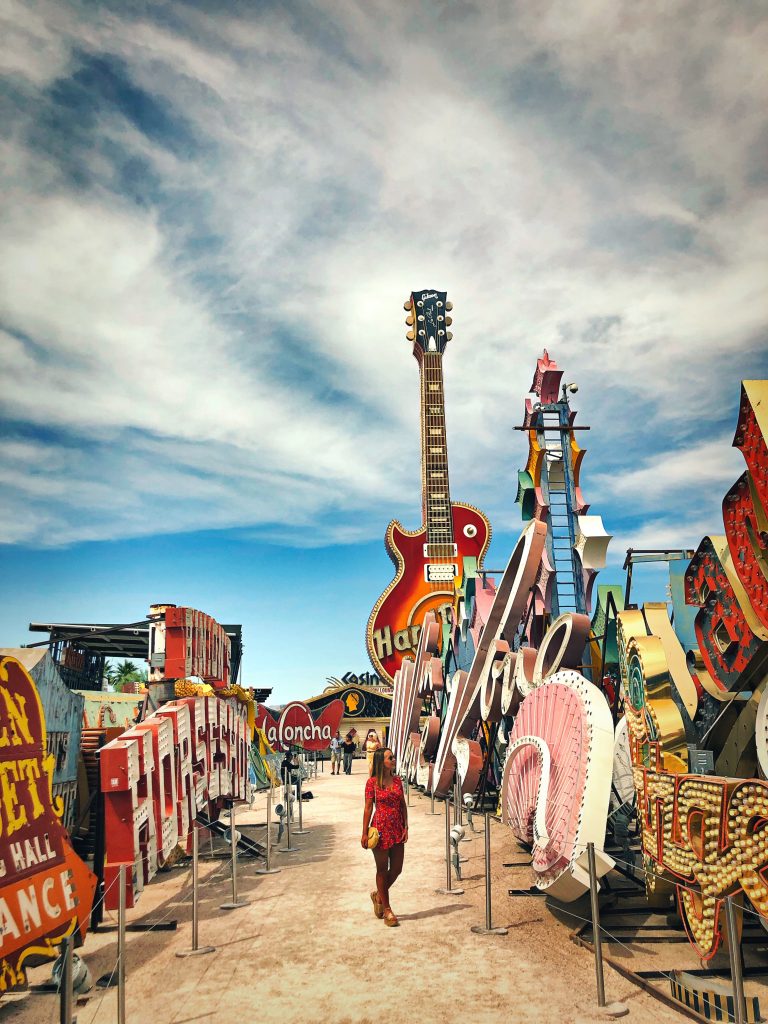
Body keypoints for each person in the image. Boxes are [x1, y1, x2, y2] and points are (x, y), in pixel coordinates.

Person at [361, 747, 408, 927]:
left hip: (397, 828)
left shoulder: (397, 781)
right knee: (382, 869)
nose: (394, 759)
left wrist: (406, 826)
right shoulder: (371, 783)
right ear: (382, 762)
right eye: (390, 757)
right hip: (379, 829)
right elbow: (368, 808)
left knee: (397, 869)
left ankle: (378, 895)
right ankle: (387, 908)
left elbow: (402, 805)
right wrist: (364, 832)